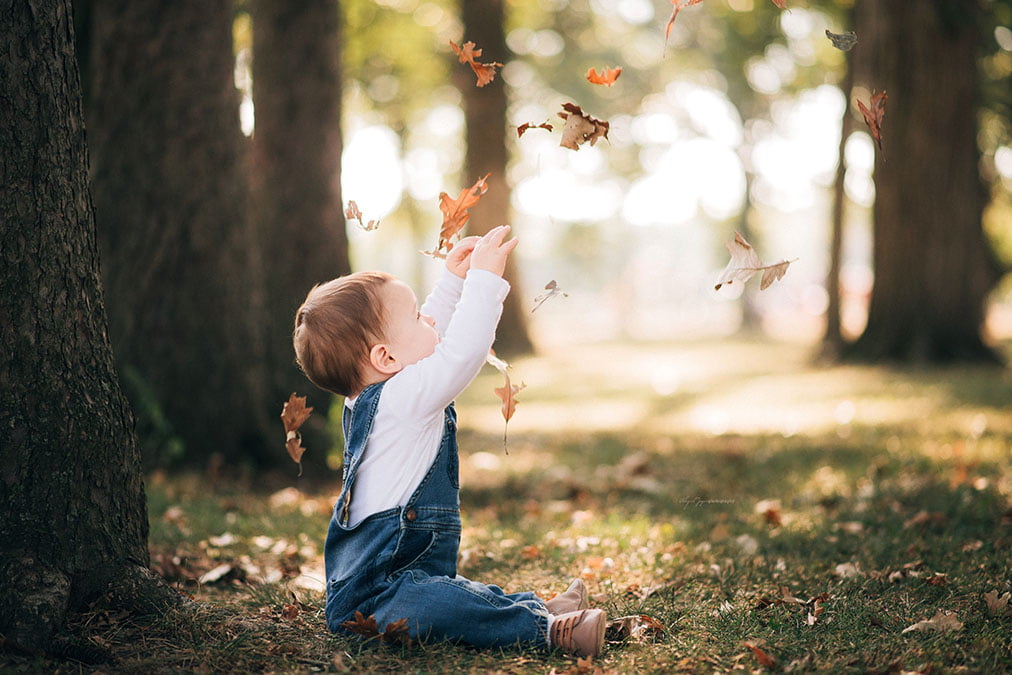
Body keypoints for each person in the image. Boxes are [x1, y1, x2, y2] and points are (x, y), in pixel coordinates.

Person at [292, 225, 607, 656]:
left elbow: (420, 337)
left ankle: (537, 608)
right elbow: (461, 351)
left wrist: (453, 282)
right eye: (418, 316)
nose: (430, 318)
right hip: (374, 597)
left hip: (405, 568)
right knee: (439, 603)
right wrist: (482, 282)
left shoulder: (377, 393)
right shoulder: (402, 398)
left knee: (451, 595)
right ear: (385, 358)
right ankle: (548, 631)